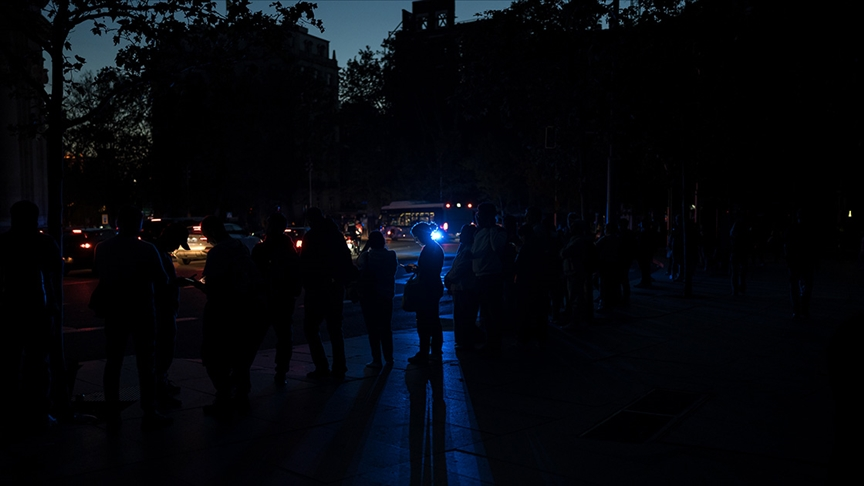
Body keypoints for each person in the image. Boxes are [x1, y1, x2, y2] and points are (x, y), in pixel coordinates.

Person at [92, 206, 172, 431]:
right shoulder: (146, 249)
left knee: (113, 361)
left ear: (117, 223)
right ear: (139, 224)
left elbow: (98, 273)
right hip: (142, 309)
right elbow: (162, 279)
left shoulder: (102, 248)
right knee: (146, 363)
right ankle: (149, 409)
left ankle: (112, 411)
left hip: (114, 310)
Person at [0, 200, 63, 434]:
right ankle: (38, 412)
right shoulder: (44, 242)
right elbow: (55, 272)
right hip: (39, 307)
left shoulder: (4, 242)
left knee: (10, 362)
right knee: (38, 363)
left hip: (11, 308)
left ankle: (11, 413)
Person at [193, 215, 263, 416]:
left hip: (222, 309)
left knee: (214, 356)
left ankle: (223, 396)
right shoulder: (240, 247)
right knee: (239, 355)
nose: (206, 239)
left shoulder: (217, 253)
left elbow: (213, 285)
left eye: (206, 235)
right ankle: (241, 395)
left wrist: (198, 285)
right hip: (243, 307)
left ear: (212, 232)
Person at [300, 207, 356, 379]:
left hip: (316, 287)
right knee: (335, 329)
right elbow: (346, 260)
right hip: (334, 286)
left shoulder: (311, 236)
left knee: (311, 328)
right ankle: (339, 366)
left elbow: (305, 263)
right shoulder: (335, 235)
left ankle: (322, 366)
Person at [251, 211, 302, 384]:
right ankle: (281, 371)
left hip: (265, 298)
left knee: (255, 337)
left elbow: (253, 273)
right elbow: (296, 273)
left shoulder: (262, 249)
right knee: (284, 337)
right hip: (283, 298)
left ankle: (242, 372)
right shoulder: (288, 249)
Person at [153, 223, 190, 407]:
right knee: (163, 350)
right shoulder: (157, 255)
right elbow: (160, 283)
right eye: (177, 243)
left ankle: (162, 382)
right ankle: (160, 388)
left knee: (163, 349)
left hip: (165, 309)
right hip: (162, 310)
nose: (177, 248)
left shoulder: (160, 253)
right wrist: (177, 283)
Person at [405, 222, 445, 365]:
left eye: (416, 237)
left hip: (427, 288)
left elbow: (427, 270)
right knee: (433, 319)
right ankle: (434, 351)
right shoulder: (434, 247)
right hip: (433, 287)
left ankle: (425, 352)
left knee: (424, 321)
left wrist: (414, 269)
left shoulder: (429, 249)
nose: (417, 240)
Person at [356, 231, 398, 367]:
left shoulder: (367, 256)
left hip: (370, 296)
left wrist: (365, 247)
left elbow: (358, 263)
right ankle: (389, 357)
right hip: (386, 295)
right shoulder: (391, 255)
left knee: (372, 329)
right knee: (386, 328)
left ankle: (376, 359)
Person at [471, 202, 508, 356]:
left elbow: (496, 247)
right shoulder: (479, 232)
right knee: (485, 313)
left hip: (492, 277)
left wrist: (492, 228)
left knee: (493, 312)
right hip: (480, 276)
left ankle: (495, 344)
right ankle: (489, 342)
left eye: (480, 215)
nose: (478, 217)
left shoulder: (498, 232)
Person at [444, 224, 481, 350]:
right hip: (463, 287)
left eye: (463, 233)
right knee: (465, 318)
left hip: (464, 288)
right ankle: (465, 341)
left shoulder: (467, 251)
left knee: (463, 318)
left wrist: (448, 278)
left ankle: (465, 342)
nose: (460, 236)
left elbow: (459, 269)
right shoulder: (467, 249)